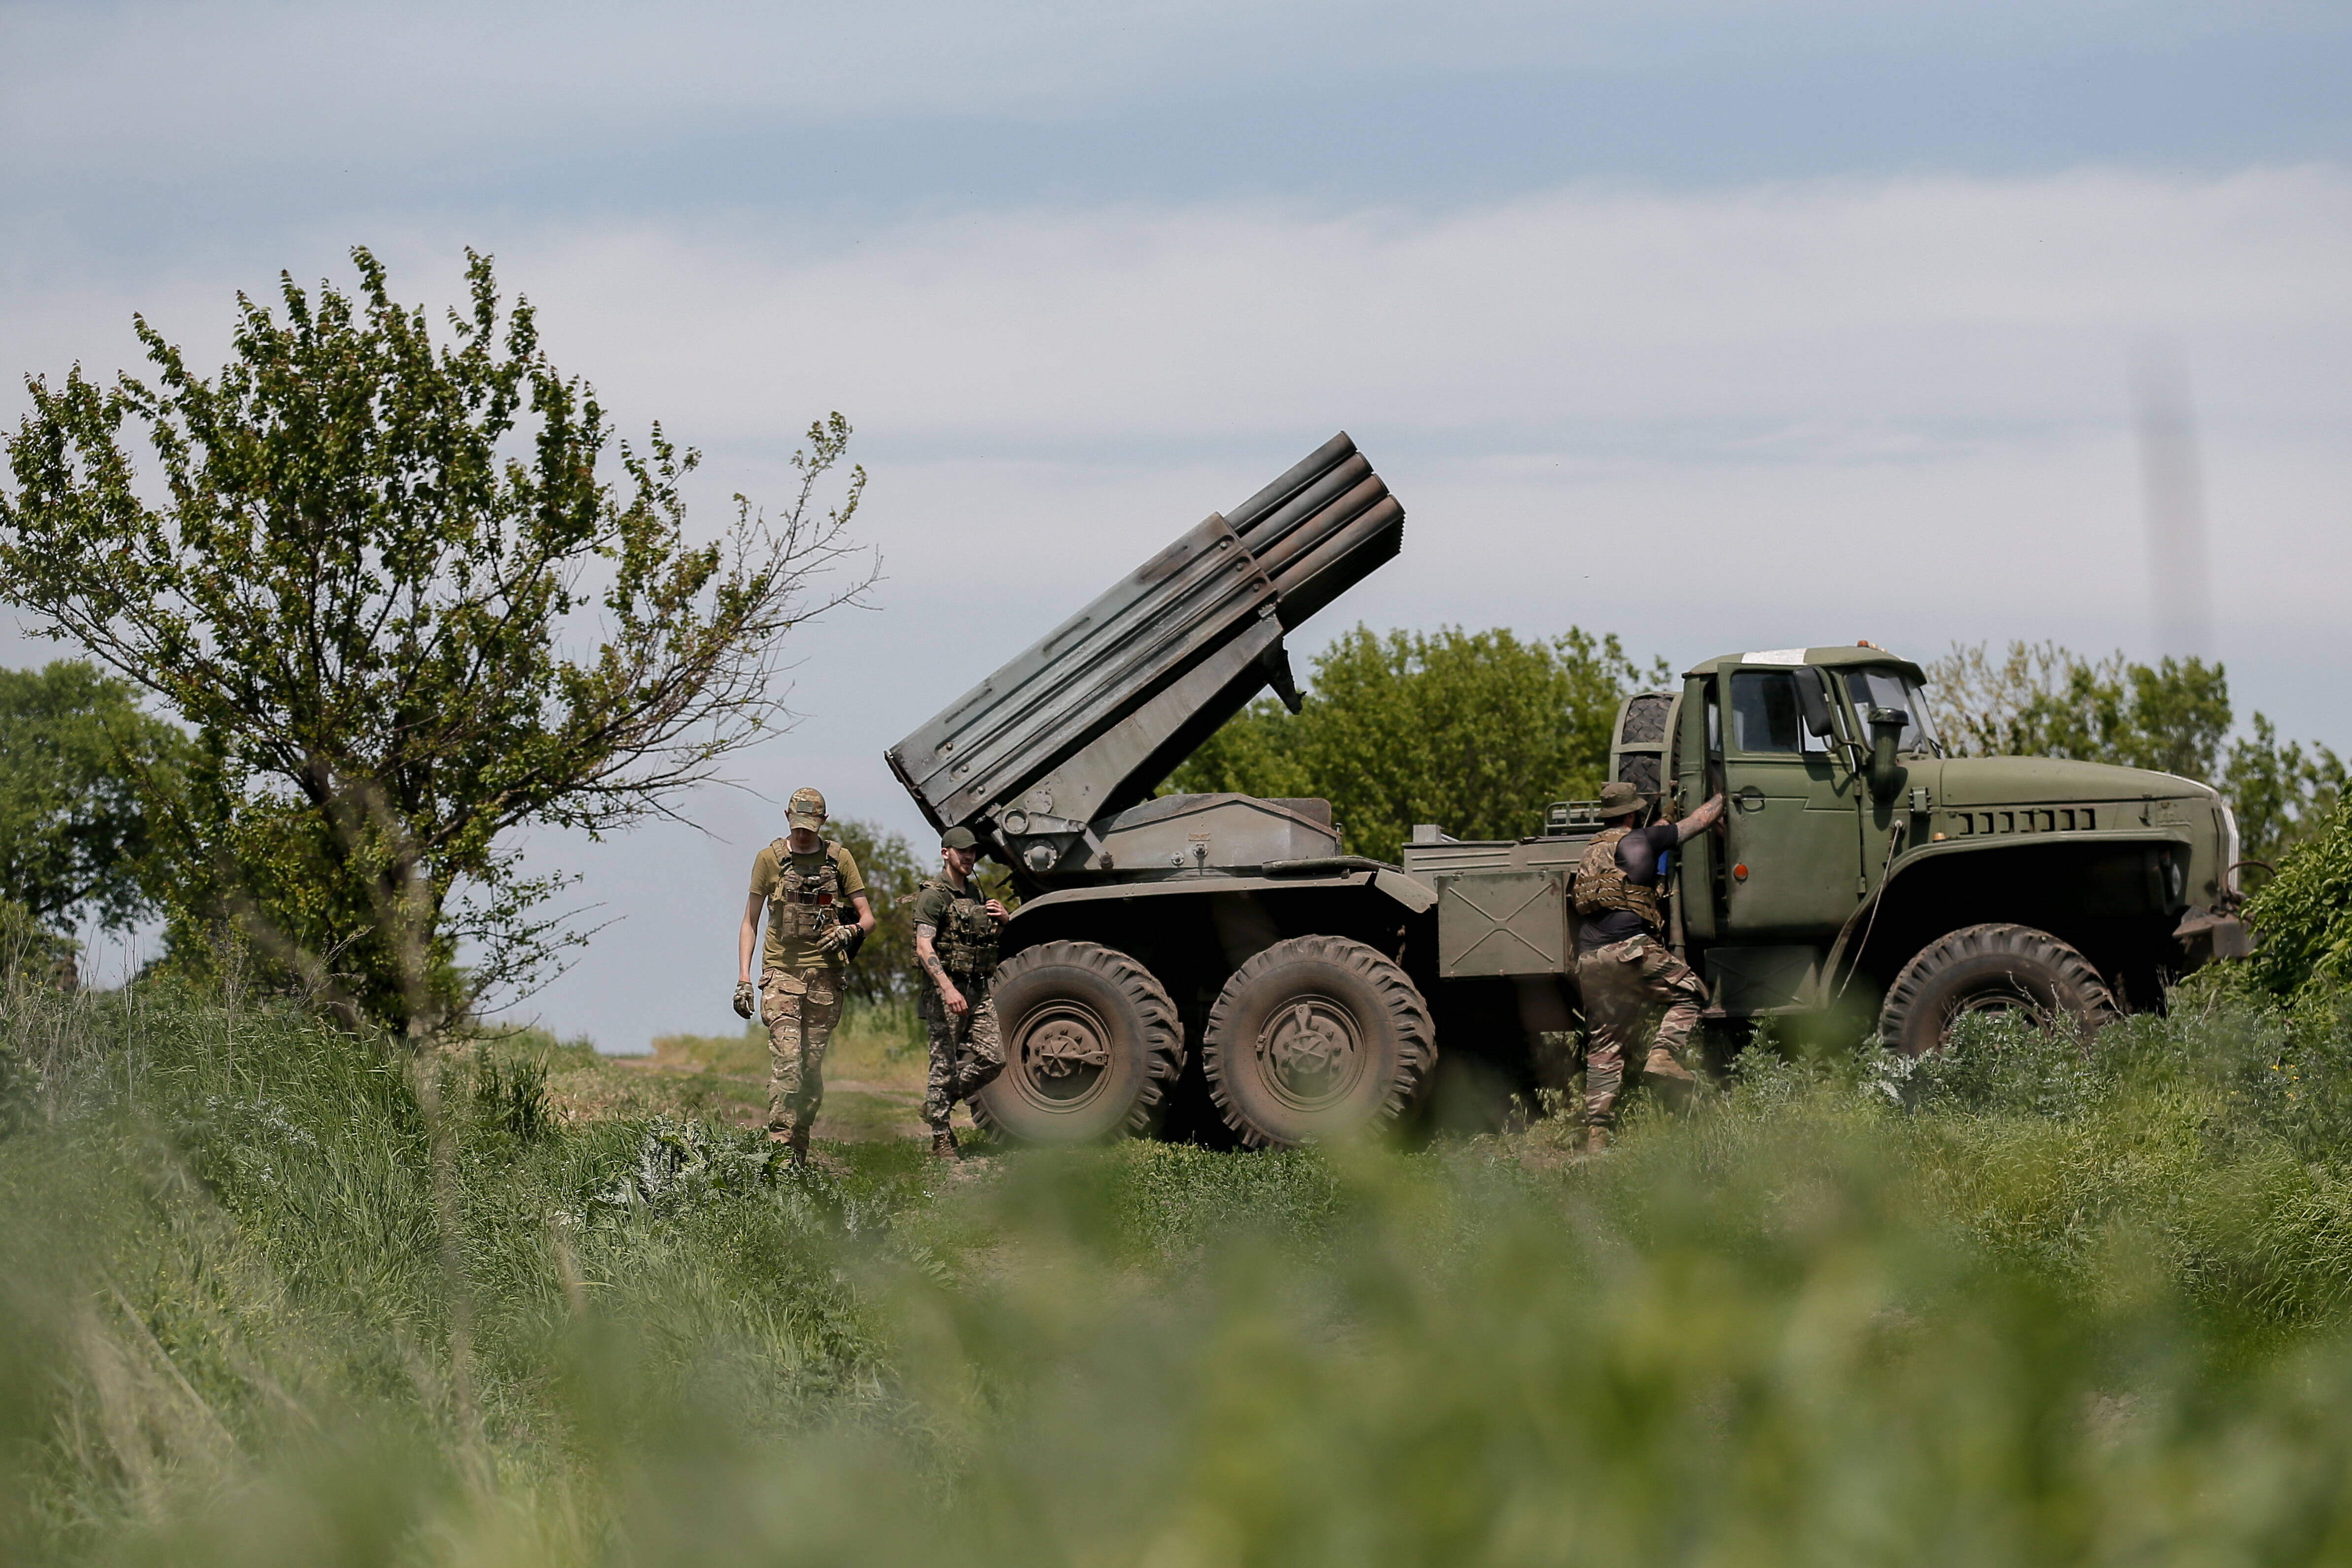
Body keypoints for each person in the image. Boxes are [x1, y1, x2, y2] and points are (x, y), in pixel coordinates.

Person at [1572, 779, 1725, 1151]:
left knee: (1606, 1044)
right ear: (1631, 812)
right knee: (1691, 993)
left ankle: (1597, 1135)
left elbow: (1650, 838)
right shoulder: (1641, 842)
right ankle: (1662, 1055)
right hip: (1629, 948)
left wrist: (1661, 824)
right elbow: (1700, 822)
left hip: (1591, 958)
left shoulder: (1593, 849)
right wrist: (1724, 795)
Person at [734, 786, 875, 1163]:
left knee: (810, 1074)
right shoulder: (769, 859)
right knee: (789, 1066)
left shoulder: (839, 860)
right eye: (797, 827)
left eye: (809, 828)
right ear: (786, 818)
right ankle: (779, 1158)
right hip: (781, 976)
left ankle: (799, 1149)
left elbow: (868, 918)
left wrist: (851, 931)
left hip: (825, 981)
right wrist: (744, 979)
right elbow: (749, 923)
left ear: (823, 823)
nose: (802, 835)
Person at [911, 826, 1009, 1157]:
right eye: (962, 851)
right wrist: (948, 988)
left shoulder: (976, 894)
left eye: (973, 852)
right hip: (946, 991)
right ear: (946, 853)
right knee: (943, 1064)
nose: (969, 857)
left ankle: (938, 1101)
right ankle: (941, 1137)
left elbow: (978, 939)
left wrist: (1003, 920)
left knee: (994, 1058)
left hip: (977, 988)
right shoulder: (933, 895)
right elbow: (924, 946)